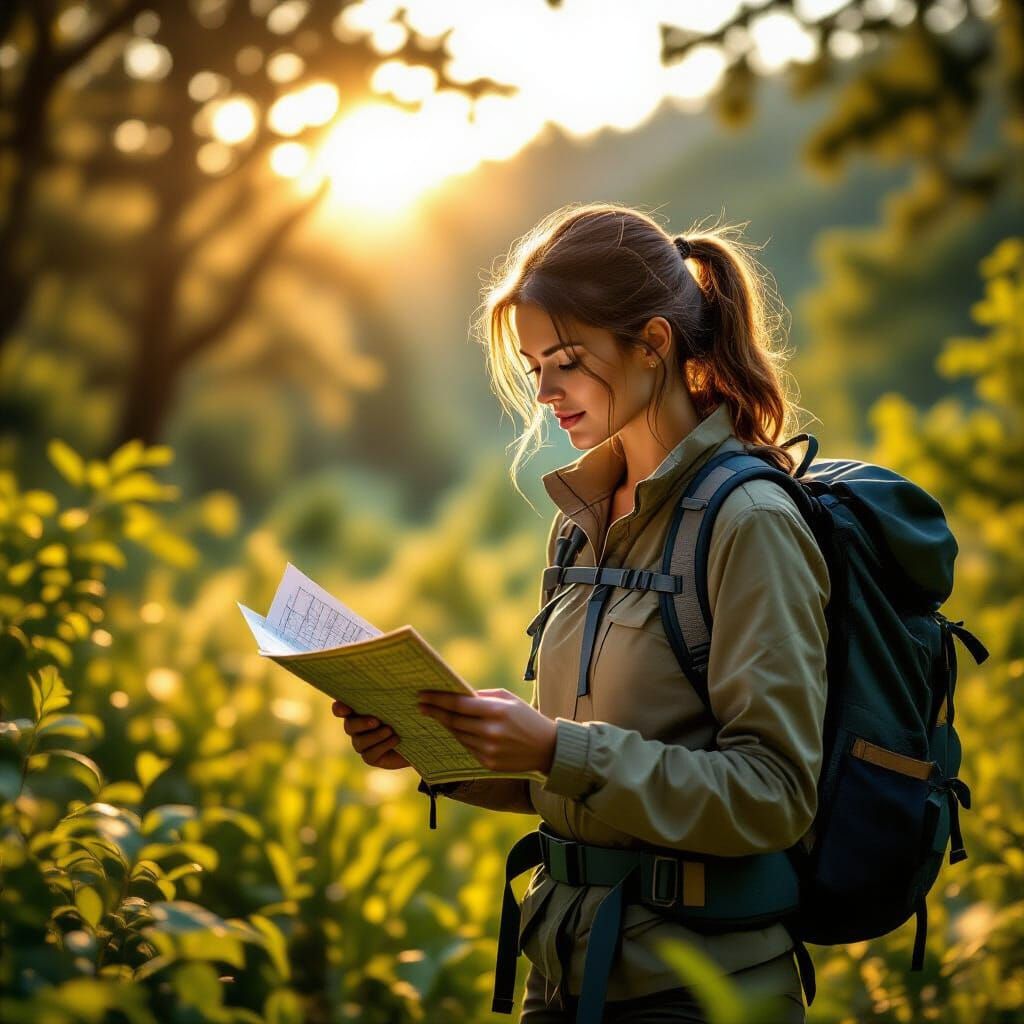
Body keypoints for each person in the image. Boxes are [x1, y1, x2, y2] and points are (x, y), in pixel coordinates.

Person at [331, 203, 830, 1023]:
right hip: (563, 976)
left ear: (654, 345)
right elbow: (571, 780)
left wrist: (556, 746)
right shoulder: (580, 522)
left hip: (701, 990)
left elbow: (771, 793)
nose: (543, 393)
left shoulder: (751, 523)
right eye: (533, 367)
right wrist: (435, 748)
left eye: (565, 360)